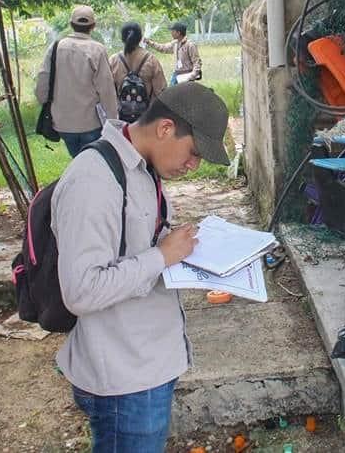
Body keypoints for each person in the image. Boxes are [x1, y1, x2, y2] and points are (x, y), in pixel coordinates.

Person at [54, 82, 230, 452]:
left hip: (148, 360)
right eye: (194, 153)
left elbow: (136, 242)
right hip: (124, 378)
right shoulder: (94, 180)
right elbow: (81, 290)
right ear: (165, 129)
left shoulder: (141, 167)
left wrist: (180, 245)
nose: (193, 166)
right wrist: (163, 255)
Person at [35, 5, 119, 157]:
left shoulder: (56, 47)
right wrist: (113, 120)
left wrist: (46, 103)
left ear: (71, 24)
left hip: (63, 123)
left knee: (77, 159)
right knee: (93, 161)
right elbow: (106, 89)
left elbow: (43, 80)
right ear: (93, 26)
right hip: (91, 123)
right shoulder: (97, 50)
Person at [110, 22, 168, 121]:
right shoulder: (151, 60)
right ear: (140, 38)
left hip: (121, 117)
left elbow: (107, 91)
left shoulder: (114, 60)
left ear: (122, 38)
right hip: (145, 118)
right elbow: (161, 90)